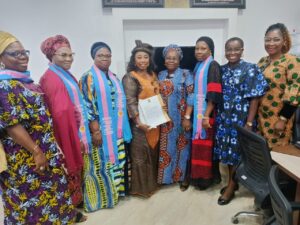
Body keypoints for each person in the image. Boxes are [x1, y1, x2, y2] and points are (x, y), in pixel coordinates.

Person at [0, 31, 85, 224]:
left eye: (24, 52)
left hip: (45, 151)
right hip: (26, 159)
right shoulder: (5, 85)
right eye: (15, 53)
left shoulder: (24, 81)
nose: (23, 56)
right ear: (1, 58)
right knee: (31, 205)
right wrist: (36, 151)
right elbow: (13, 125)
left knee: (53, 198)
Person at [213, 37, 268, 205]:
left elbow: (255, 98)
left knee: (238, 153)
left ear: (242, 50)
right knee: (228, 154)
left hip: (242, 119)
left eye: (236, 49)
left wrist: (250, 123)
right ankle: (233, 182)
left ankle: (231, 186)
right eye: (229, 49)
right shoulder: (221, 70)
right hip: (224, 119)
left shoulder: (250, 69)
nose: (232, 52)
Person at [40, 35, 91, 211]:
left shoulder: (64, 74)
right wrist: (74, 138)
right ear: (51, 56)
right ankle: (71, 209)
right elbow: (61, 113)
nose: (68, 59)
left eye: (71, 54)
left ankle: (76, 204)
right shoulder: (52, 79)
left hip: (73, 130)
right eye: (63, 55)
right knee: (69, 167)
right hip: (65, 133)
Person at [79, 42, 132, 212]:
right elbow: (87, 106)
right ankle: (103, 199)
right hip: (101, 131)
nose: (105, 58)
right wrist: (95, 131)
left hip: (116, 130)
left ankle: (116, 193)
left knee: (116, 163)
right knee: (101, 165)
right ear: (93, 57)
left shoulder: (114, 77)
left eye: (108, 55)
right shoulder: (87, 77)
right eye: (100, 55)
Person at [122, 41, 160, 197]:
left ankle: (152, 185)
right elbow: (130, 102)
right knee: (140, 156)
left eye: (146, 57)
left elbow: (157, 96)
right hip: (140, 124)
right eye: (139, 57)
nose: (143, 60)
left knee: (152, 153)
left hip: (154, 121)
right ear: (134, 60)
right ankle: (141, 189)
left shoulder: (152, 74)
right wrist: (138, 123)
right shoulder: (130, 77)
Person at [157, 44, 194, 190]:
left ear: (179, 61)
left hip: (181, 118)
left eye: (174, 58)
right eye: (168, 58)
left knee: (182, 148)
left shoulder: (186, 74)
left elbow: (192, 96)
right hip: (165, 120)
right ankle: (166, 178)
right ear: (164, 60)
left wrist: (187, 117)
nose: (171, 60)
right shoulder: (160, 75)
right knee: (166, 148)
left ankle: (183, 177)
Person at [258, 23, 300, 148]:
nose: (271, 43)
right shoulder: (262, 61)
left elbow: (295, 90)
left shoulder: (292, 61)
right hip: (260, 117)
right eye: (268, 40)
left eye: (276, 39)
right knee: (261, 154)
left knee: (276, 155)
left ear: (284, 41)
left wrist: (282, 119)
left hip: (278, 118)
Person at [191, 37, 222, 190]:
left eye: (203, 48)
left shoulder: (213, 65)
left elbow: (213, 92)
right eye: (197, 48)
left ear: (210, 50)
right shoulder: (199, 66)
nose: (199, 51)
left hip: (207, 114)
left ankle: (205, 179)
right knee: (199, 145)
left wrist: (206, 115)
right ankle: (198, 177)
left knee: (206, 147)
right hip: (199, 112)